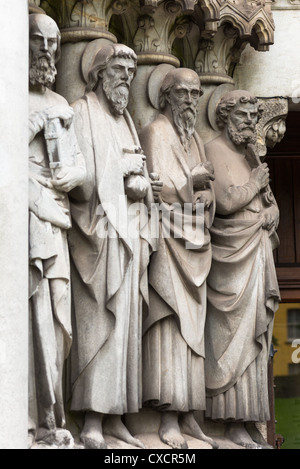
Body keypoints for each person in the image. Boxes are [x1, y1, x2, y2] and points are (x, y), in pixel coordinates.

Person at [68, 43, 156, 449]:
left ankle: (117, 414)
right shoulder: (82, 111)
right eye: (119, 70)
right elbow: (82, 181)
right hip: (99, 239)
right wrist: (121, 170)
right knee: (99, 327)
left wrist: (144, 187)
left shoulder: (126, 122)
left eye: (131, 73)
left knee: (126, 331)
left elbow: (137, 172)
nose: (126, 79)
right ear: (99, 73)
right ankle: (90, 420)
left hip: (130, 235)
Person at [139, 68, 217, 449]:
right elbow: (156, 187)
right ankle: (166, 418)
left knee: (193, 335)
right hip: (169, 242)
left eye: (195, 93)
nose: (190, 100)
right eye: (183, 93)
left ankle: (189, 416)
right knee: (170, 323)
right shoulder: (155, 132)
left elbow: (207, 190)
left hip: (196, 243)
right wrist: (193, 184)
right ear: (165, 95)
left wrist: (204, 195)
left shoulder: (196, 140)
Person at [204, 90, 280, 449]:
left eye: (254, 116)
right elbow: (225, 200)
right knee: (230, 338)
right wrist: (255, 184)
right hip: (230, 260)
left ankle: (249, 421)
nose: (250, 123)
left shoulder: (250, 155)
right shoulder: (213, 149)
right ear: (224, 117)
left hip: (256, 251)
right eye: (244, 116)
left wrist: (269, 213)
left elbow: (271, 205)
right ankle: (228, 424)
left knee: (254, 341)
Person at [28, 13, 86, 446]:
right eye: (37, 40)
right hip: (29, 218)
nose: (46, 50)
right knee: (34, 315)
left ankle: (54, 415)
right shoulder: (10, 99)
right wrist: (36, 122)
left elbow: (79, 166)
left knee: (59, 313)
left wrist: (73, 176)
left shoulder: (63, 103)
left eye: (53, 42)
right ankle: (37, 418)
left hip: (58, 217)